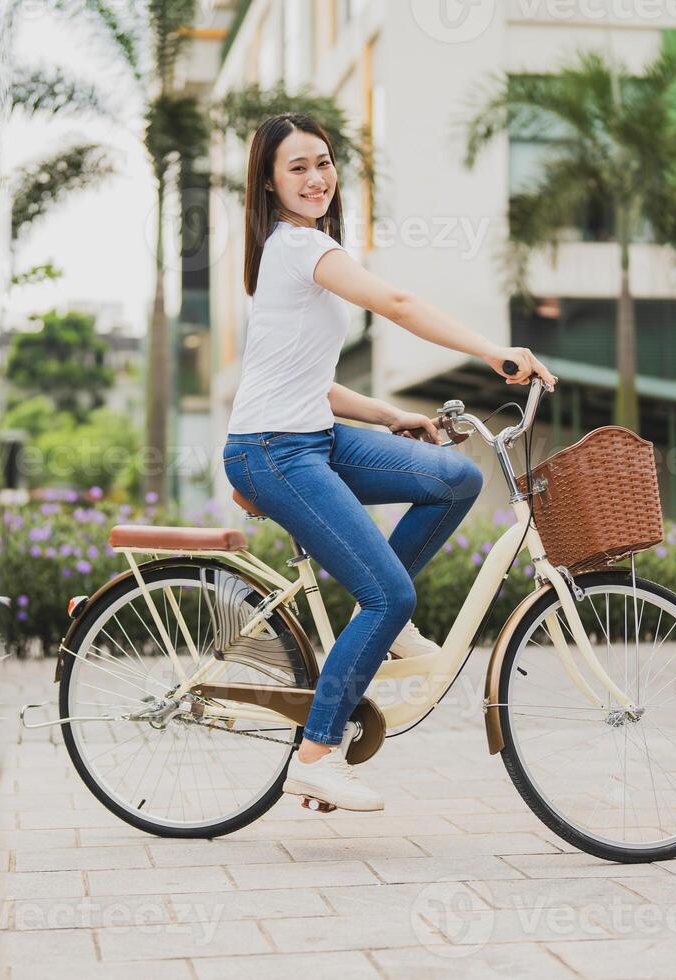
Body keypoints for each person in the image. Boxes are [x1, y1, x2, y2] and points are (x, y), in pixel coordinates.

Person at [223, 112, 558, 812]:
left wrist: (389, 415)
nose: (316, 178)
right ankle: (316, 756)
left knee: (454, 477)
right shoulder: (296, 247)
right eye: (297, 167)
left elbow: (303, 377)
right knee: (387, 594)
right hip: (272, 451)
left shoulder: (304, 252)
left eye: (323, 162)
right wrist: (494, 352)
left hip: (311, 432)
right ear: (268, 182)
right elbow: (399, 304)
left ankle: (385, 627)